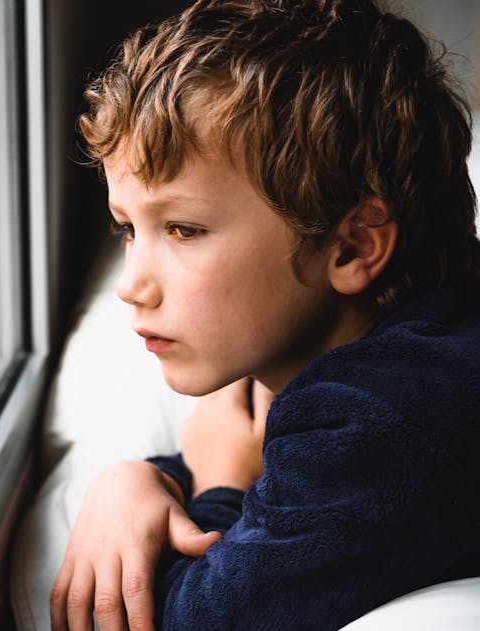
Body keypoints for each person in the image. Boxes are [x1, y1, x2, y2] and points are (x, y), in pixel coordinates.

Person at [49, 1, 480, 629]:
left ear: (353, 246)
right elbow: (291, 493)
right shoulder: (415, 344)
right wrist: (139, 480)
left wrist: (217, 485)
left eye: (184, 229)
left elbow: (199, 618)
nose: (131, 286)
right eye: (127, 228)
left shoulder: (380, 420)